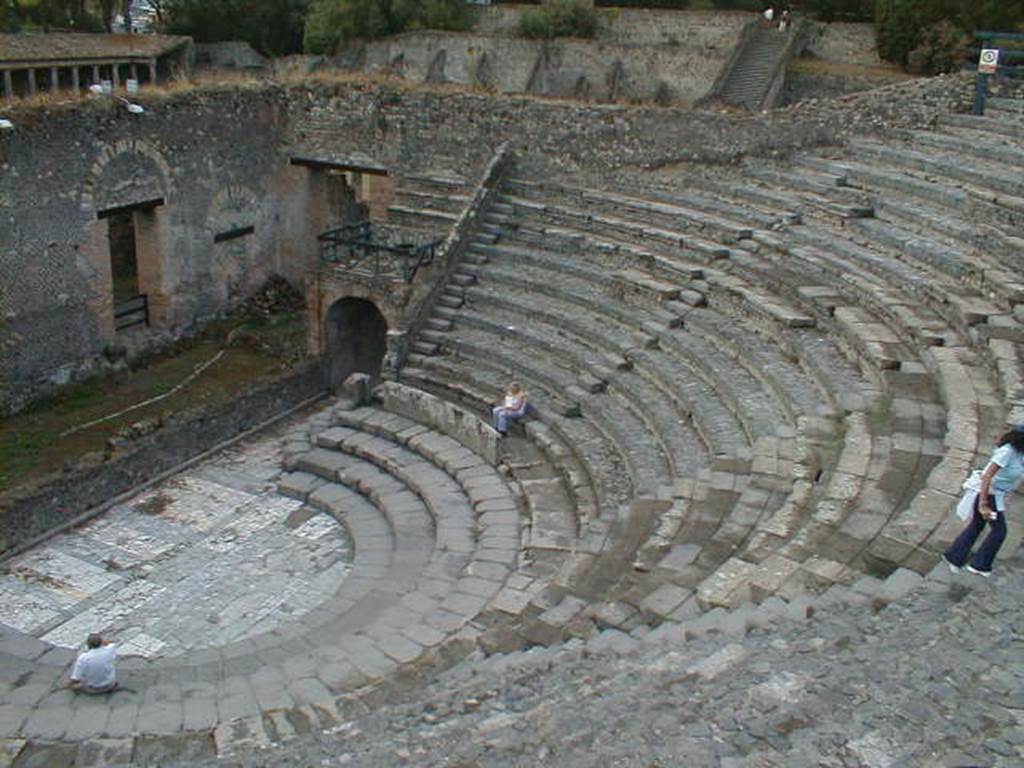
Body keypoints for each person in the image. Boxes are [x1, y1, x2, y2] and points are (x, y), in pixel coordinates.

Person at [943, 426, 1024, 577]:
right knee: (999, 531)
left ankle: (954, 556)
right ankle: (980, 565)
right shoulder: (1007, 452)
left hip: (997, 495)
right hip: (988, 495)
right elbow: (987, 476)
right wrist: (983, 504)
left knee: (977, 525)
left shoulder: (1020, 453)